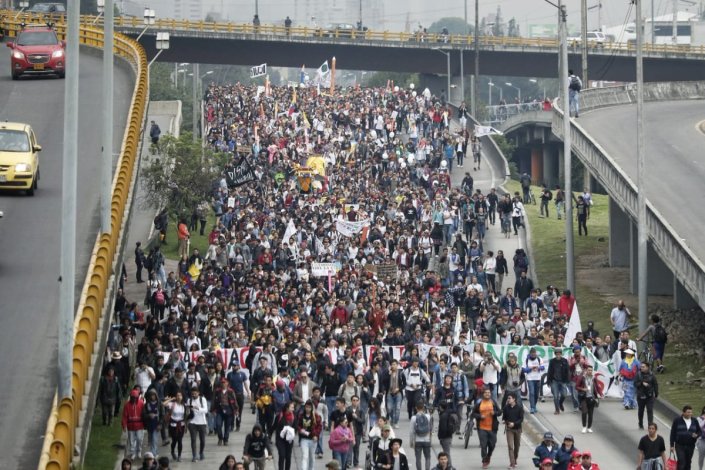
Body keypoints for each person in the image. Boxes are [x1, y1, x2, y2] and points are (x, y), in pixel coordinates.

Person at [472, 387, 501, 469]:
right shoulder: (479, 402)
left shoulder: (493, 402)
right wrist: (480, 416)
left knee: (492, 445)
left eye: (489, 393)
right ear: (483, 394)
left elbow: (500, 412)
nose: (487, 394)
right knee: (483, 445)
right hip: (482, 428)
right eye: (486, 393)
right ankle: (484, 461)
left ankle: (489, 456)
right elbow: (473, 414)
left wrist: (494, 413)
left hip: (492, 428)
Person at [670, 405, 702, 470]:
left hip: (690, 445)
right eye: (688, 412)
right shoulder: (677, 420)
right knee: (681, 461)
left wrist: (697, 435)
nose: (690, 414)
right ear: (683, 412)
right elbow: (673, 433)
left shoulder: (694, 420)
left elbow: (699, 431)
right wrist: (671, 445)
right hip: (679, 445)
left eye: (691, 412)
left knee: (688, 462)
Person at [575, 365, 602, 433]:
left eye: (591, 370)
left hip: (592, 398)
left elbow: (597, 387)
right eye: (588, 370)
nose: (590, 371)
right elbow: (576, 386)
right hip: (584, 397)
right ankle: (584, 427)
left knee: (590, 414)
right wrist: (583, 389)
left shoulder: (594, 378)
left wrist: (600, 394)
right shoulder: (582, 377)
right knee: (584, 412)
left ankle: (589, 427)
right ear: (586, 370)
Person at [297, 400, 322, 470]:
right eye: (306, 407)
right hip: (304, 439)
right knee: (305, 456)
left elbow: (319, 427)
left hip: (313, 439)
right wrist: (300, 430)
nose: (307, 409)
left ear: (312, 408)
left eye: (309, 407)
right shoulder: (301, 415)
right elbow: (298, 425)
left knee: (312, 457)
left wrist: (316, 435)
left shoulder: (316, 416)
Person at [502, 392, 524, 469]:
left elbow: (521, 419)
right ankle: (512, 463)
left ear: (514, 399)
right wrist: (507, 423)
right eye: (508, 398)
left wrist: (514, 424)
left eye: (509, 398)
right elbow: (504, 418)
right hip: (509, 430)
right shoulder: (505, 408)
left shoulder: (520, 408)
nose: (508, 400)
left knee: (517, 446)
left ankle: (515, 459)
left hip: (518, 429)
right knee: (510, 446)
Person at [122, 389, 145, 461]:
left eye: (135, 397)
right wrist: (124, 425)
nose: (134, 399)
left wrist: (145, 423)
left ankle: (139, 451)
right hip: (131, 426)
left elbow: (144, 414)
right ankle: (133, 453)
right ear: (131, 397)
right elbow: (124, 416)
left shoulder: (141, 404)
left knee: (139, 439)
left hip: (140, 425)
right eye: (133, 397)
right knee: (131, 440)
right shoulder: (127, 405)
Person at [410, 400, 433, 470]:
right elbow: (430, 429)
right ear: (424, 408)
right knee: (428, 457)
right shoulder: (428, 416)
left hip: (417, 440)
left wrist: (411, 442)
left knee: (418, 458)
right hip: (427, 440)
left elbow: (412, 431)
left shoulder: (413, 418)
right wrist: (430, 440)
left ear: (416, 408)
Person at [187, 386, 208, 462]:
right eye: (192, 394)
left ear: (198, 393)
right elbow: (187, 412)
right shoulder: (189, 400)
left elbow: (205, 410)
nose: (194, 395)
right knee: (193, 440)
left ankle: (201, 452)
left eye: (195, 394)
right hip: (192, 423)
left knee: (202, 440)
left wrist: (197, 408)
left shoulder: (203, 399)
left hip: (202, 422)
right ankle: (194, 455)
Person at [636, 362, 659, 430]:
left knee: (650, 410)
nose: (642, 368)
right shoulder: (638, 374)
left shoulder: (652, 375)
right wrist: (642, 383)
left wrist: (656, 393)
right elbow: (635, 384)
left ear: (647, 367)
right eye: (641, 367)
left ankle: (650, 425)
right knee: (641, 410)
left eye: (643, 367)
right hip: (641, 396)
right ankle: (640, 423)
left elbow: (655, 384)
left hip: (649, 396)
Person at [273, 401, 296, 470]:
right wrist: (269, 435)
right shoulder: (279, 416)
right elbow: (274, 426)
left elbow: (296, 426)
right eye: (292, 407)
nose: (293, 409)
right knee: (282, 455)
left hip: (289, 440)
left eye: (293, 407)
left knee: (288, 457)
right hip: (280, 439)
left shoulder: (294, 416)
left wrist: (291, 431)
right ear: (287, 408)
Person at [547, 347, 570, 415]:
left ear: (561, 354)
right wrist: (549, 381)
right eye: (557, 354)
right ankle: (557, 410)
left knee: (564, 395)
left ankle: (560, 403)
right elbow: (549, 371)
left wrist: (567, 380)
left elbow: (567, 371)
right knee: (556, 396)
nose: (558, 355)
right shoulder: (552, 361)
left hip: (562, 381)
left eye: (559, 354)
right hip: (554, 381)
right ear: (555, 354)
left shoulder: (564, 361)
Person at [164, 391, 186, 462]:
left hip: (181, 425)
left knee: (180, 440)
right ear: (176, 397)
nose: (179, 397)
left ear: (182, 397)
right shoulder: (172, 404)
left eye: (180, 395)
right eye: (177, 395)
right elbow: (163, 404)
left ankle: (179, 456)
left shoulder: (184, 405)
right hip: (173, 425)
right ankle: (172, 451)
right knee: (174, 440)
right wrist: (171, 399)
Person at [523, 347, 545, 414]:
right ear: (530, 353)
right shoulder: (527, 360)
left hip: (538, 378)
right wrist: (530, 369)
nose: (533, 354)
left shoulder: (539, 359)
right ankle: (532, 407)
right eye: (532, 353)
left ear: (536, 353)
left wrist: (538, 368)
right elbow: (523, 369)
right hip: (530, 378)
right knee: (532, 393)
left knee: (536, 394)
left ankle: (534, 406)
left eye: (534, 353)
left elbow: (543, 367)